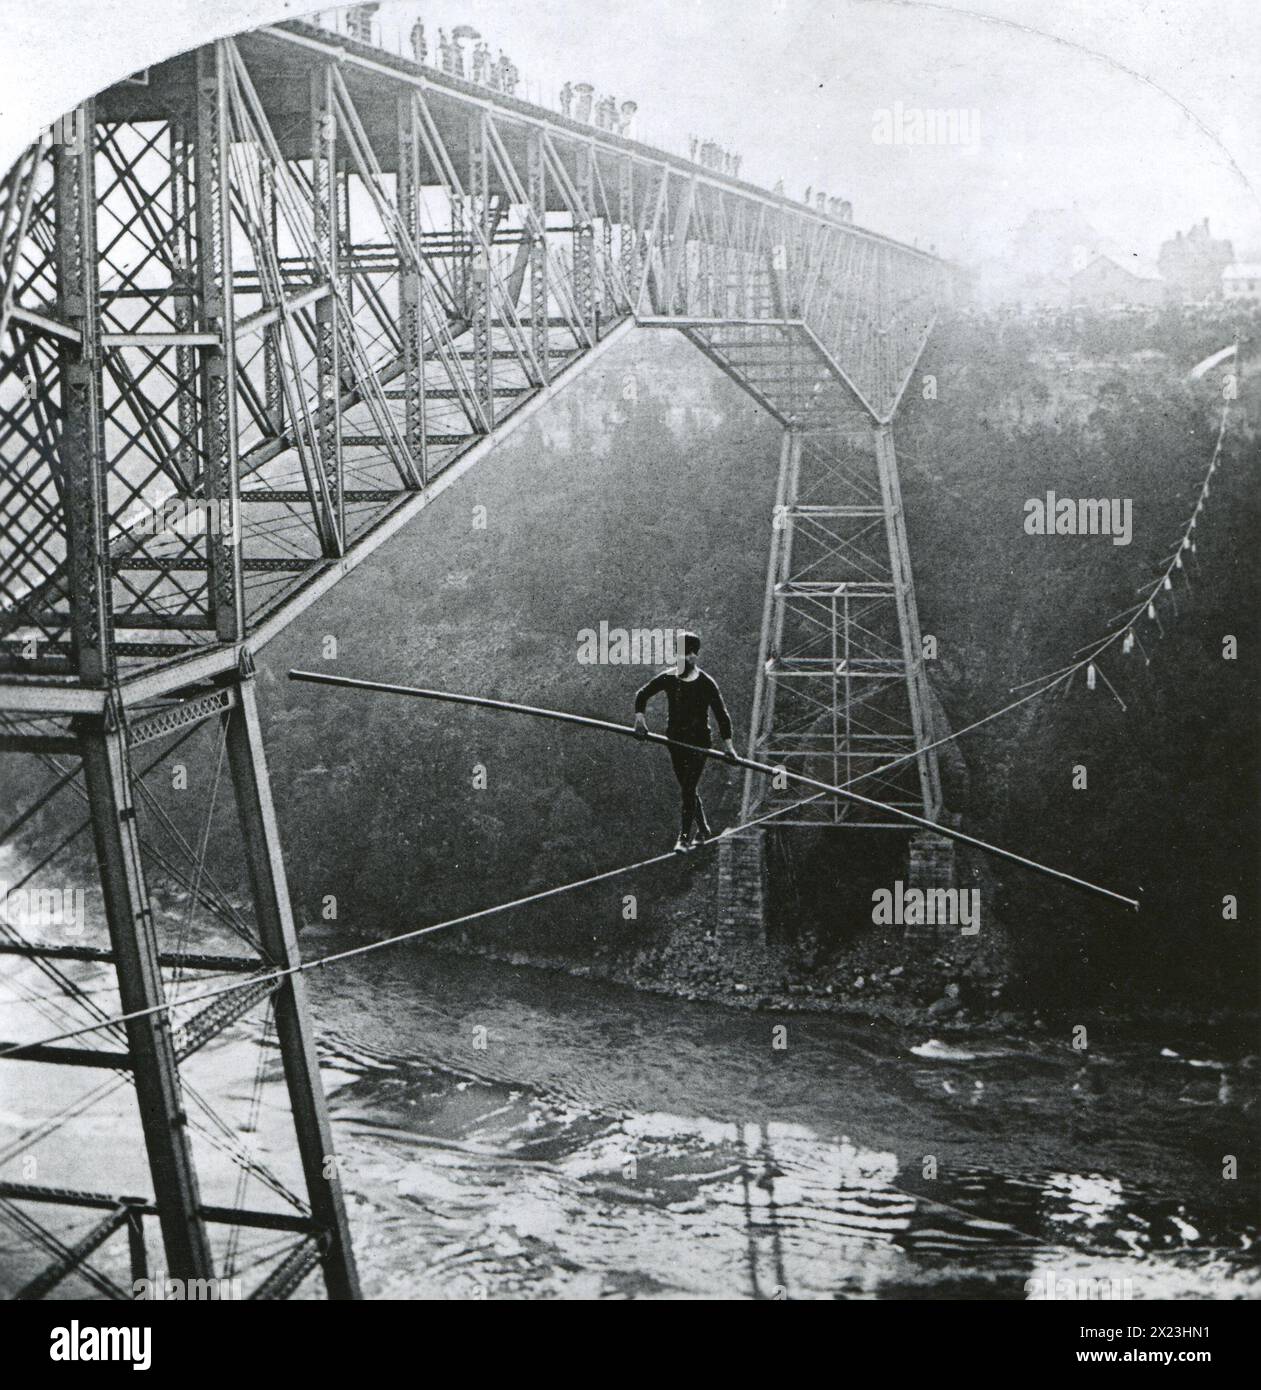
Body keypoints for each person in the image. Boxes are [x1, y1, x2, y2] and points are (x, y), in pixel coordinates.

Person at [634, 632, 738, 852]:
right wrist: (640, 720)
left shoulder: (706, 683)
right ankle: (703, 828)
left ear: (696, 656)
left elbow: (722, 715)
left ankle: (683, 838)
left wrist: (729, 747)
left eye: (692, 654)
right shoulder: (668, 678)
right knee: (687, 788)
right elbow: (642, 694)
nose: (689, 658)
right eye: (684, 654)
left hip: (699, 743)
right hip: (675, 741)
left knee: (688, 788)